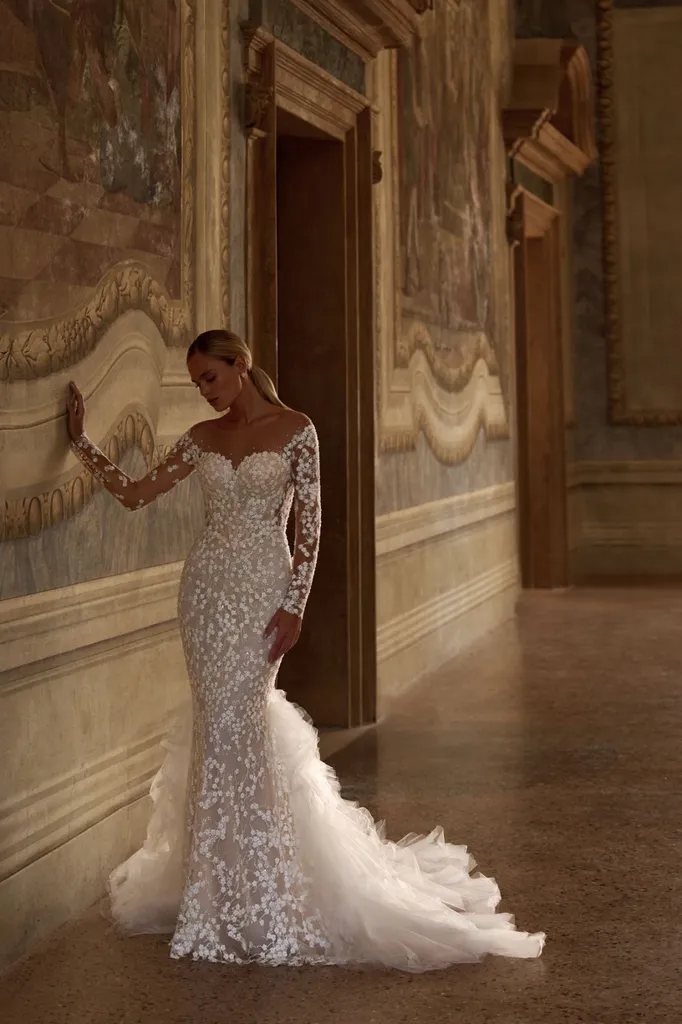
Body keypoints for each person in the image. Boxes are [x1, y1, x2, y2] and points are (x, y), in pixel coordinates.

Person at [65, 328, 545, 970]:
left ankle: (265, 884)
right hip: (205, 593)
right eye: (195, 383)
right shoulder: (202, 441)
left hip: (265, 590)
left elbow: (310, 527)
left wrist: (295, 605)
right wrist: (81, 444)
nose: (203, 393)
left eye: (209, 377)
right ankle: (216, 889)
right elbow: (134, 495)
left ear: (241, 366)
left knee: (242, 722)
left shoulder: (298, 430)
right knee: (217, 725)